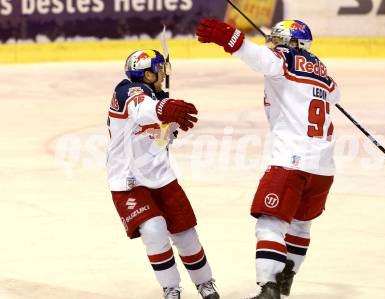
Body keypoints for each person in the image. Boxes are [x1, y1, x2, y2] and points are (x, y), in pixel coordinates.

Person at [196, 19, 341, 299]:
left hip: (291, 160)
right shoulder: (323, 71)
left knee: (270, 222)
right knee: (301, 224)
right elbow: (336, 95)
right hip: (324, 165)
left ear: (292, 43)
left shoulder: (282, 60)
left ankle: (269, 287)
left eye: (278, 38)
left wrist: (230, 37)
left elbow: (257, 56)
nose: (272, 43)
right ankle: (287, 277)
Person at [106, 49, 220, 299]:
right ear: (146, 74)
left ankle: (205, 283)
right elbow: (141, 110)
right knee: (154, 229)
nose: (163, 73)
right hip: (128, 182)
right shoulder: (127, 91)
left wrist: (168, 128)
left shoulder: (156, 96)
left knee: (186, 234)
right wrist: (164, 108)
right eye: (158, 70)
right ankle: (171, 288)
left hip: (162, 177)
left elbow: (159, 140)